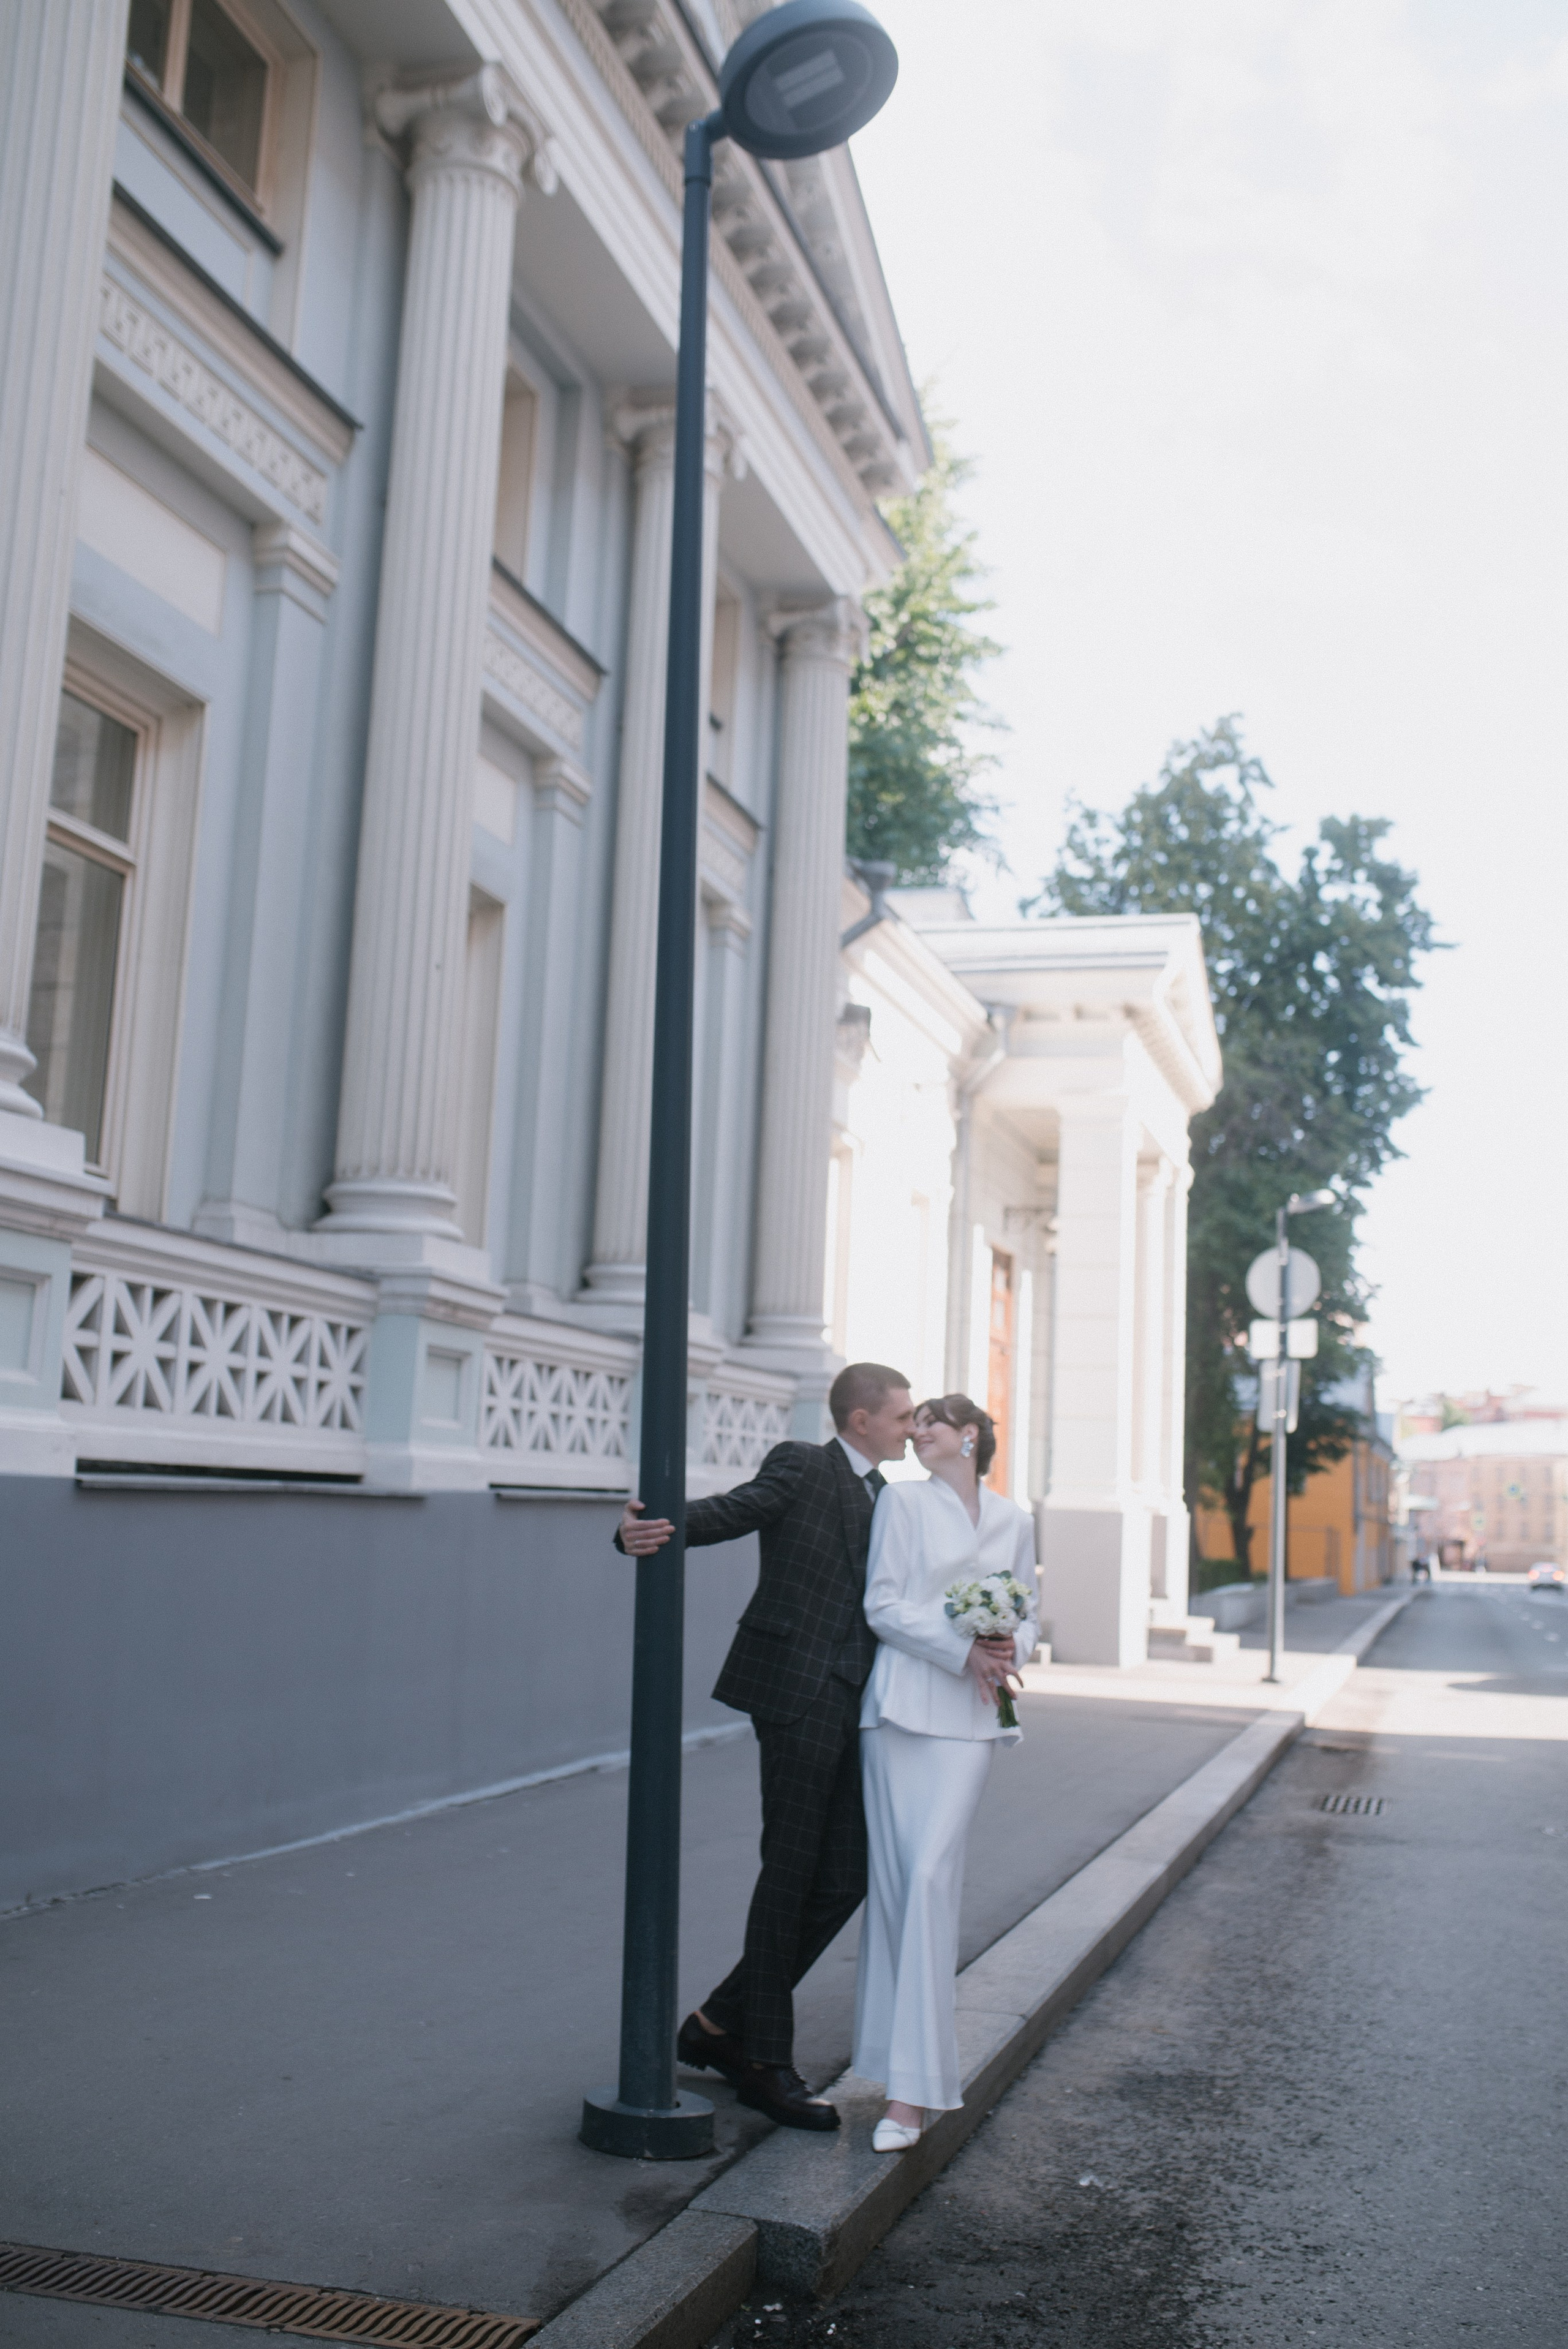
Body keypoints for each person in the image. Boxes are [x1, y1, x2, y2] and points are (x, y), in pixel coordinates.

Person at [616, 1361, 915, 2132]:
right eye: (901, 1416)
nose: (910, 1427)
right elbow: (732, 1511)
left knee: (843, 1875)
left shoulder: (887, 1495)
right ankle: (762, 2061)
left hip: (858, 1704)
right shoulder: (803, 1464)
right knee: (788, 1871)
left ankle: (718, 2022)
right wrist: (641, 1528)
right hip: (795, 1692)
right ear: (860, 1420)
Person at [853, 1393, 1039, 2153]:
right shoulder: (899, 1505)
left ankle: (912, 2092)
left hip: (971, 1718)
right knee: (901, 1893)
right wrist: (961, 1648)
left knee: (931, 1877)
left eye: (932, 1419)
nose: (917, 1430)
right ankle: (901, 2085)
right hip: (899, 1713)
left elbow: (1027, 1611)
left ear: (969, 1436)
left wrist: (1006, 1649)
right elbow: (883, 1606)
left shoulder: (1013, 1519)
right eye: (913, 1420)